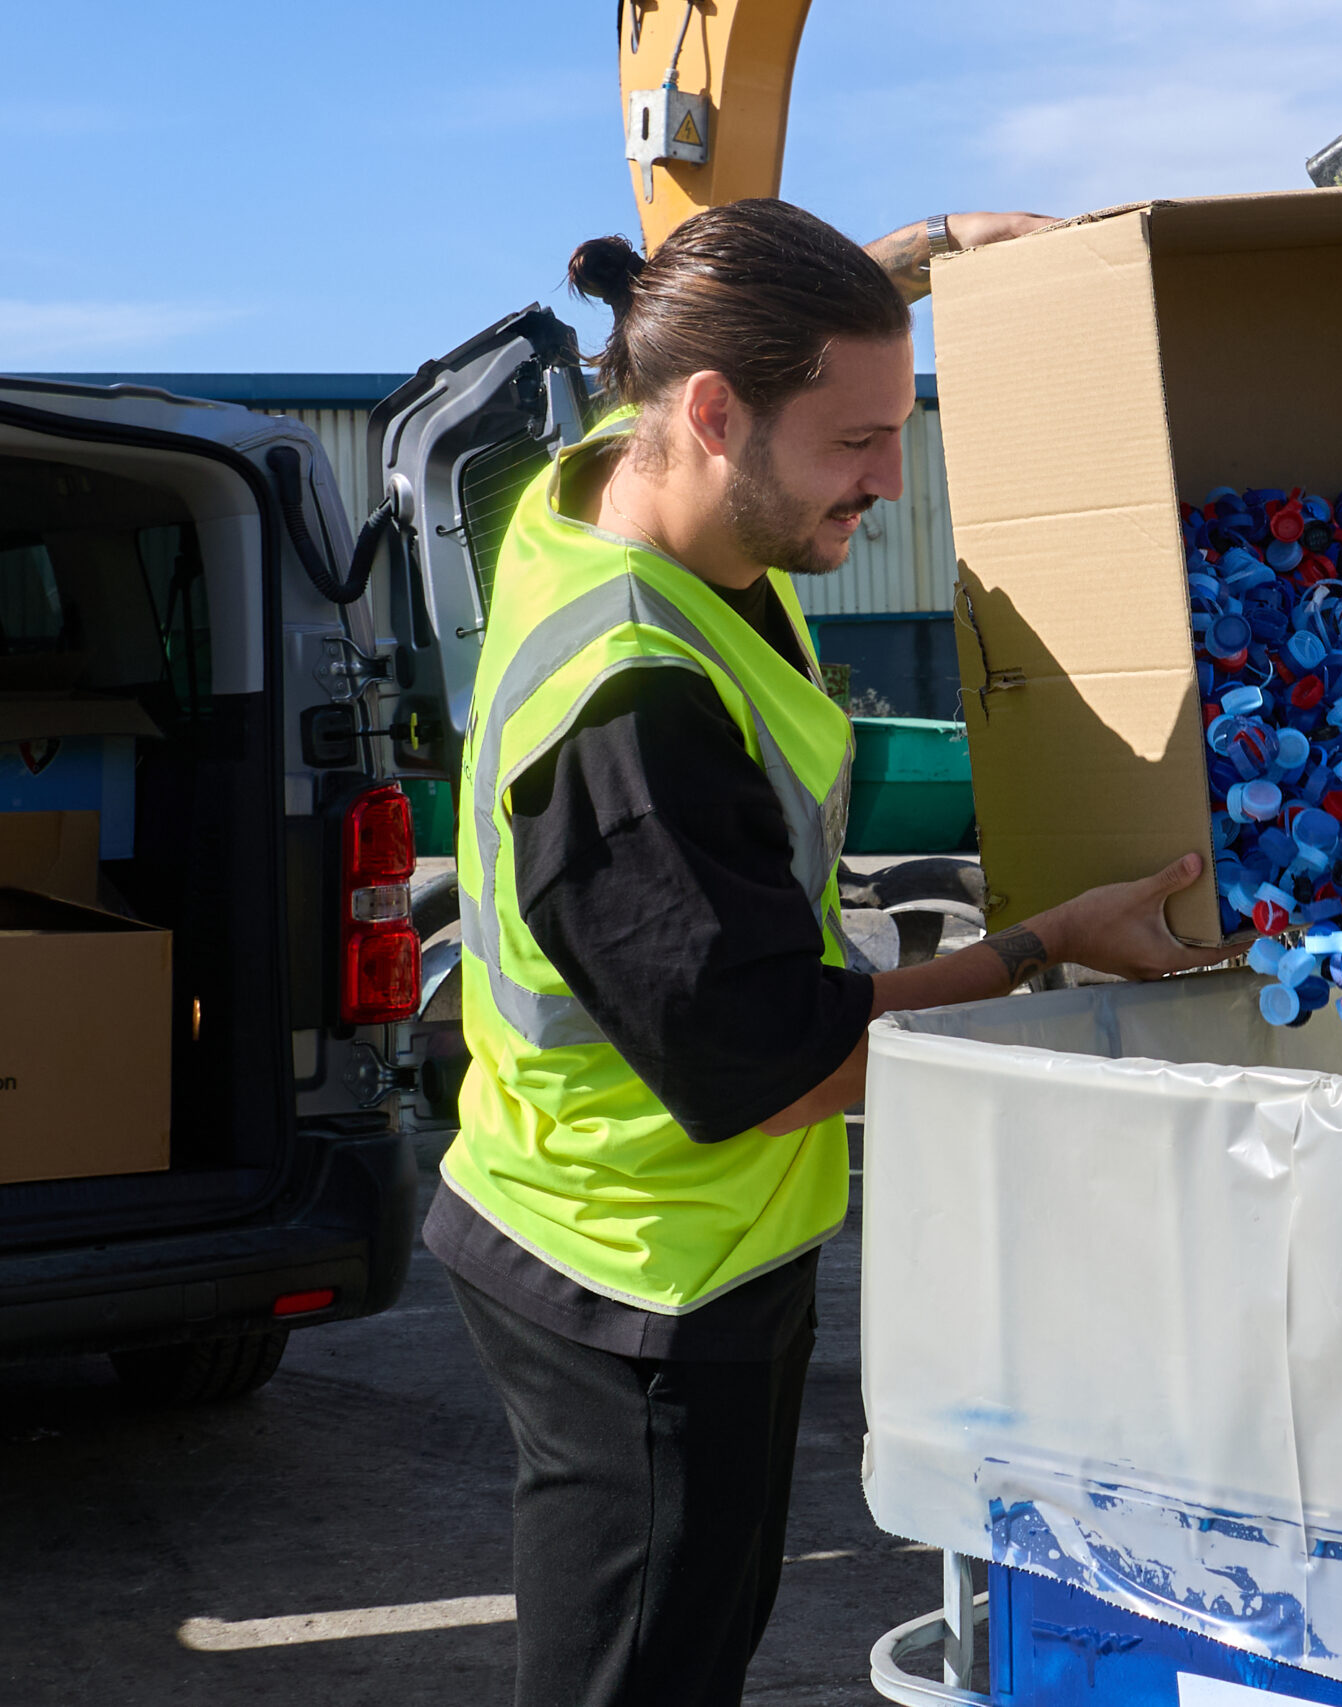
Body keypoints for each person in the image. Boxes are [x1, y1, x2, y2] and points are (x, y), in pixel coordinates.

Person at [424, 197, 1229, 1707]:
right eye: (858, 436)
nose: (891, 470)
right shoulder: (628, 713)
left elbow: (690, 320)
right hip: (644, 1270)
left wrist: (920, 249)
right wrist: (1045, 951)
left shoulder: (594, 485)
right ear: (717, 417)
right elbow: (788, 1069)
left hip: (613, 1205)